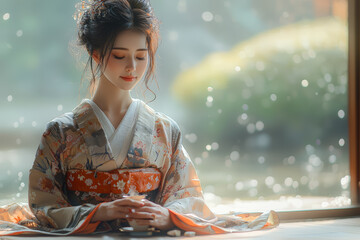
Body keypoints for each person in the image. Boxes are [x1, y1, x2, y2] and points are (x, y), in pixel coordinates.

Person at [0, 0, 279, 236]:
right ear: (96, 54)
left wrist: (166, 216)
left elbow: (188, 196)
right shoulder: (60, 133)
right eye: (120, 55)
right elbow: (43, 206)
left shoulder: (164, 130)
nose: (132, 67)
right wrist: (98, 212)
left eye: (141, 56)